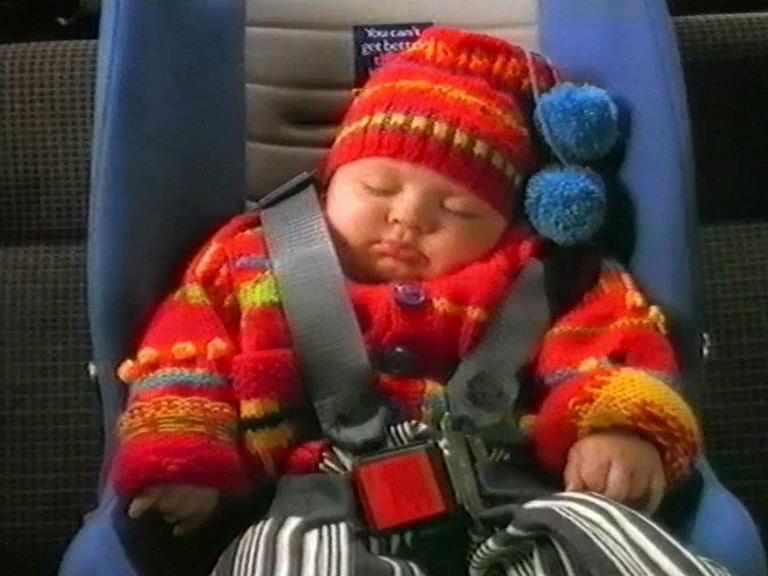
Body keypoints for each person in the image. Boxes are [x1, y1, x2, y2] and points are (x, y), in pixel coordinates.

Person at [111, 28, 703, 576]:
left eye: (457, 210)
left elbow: (614, 345)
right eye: (378, 188)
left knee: (602, 529)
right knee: (285, 557)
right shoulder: (250, 258)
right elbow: (186, 357)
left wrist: (620, 431)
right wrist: (184, 458)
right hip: (317, 498)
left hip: (516, 487)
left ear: (507, 222)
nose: (408, 218)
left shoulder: (549, 276)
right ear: (329, 180)